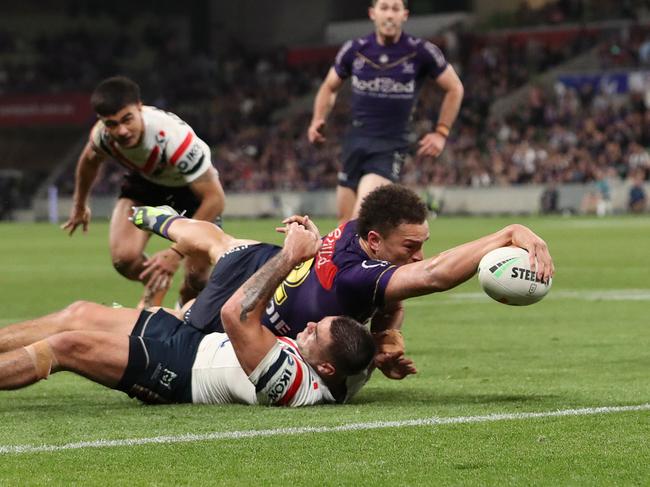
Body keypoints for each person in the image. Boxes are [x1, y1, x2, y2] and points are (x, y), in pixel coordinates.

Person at [130, 184, 553, 380]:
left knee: (218, 242)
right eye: (410, 246)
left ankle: (150, 216)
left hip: (272, 265)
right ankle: (153, 293)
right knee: (180, 321)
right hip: (254, 305)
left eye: (424, 244)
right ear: (375, 239)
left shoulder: (356, 228)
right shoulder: (357, 278)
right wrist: (508, 232)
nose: (418, 255)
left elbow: (393, 294)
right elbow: (433, 275)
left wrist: (388, 339)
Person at [0, 220, 375, 407]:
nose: (307, 326)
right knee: (77, 311)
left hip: (182, 370)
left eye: (315, 334)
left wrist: (292, 255)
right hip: (196, 339)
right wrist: (390, 340)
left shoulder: (293, 382)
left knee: (67, 346)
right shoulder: (352, 364)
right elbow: (379, 307)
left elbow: (236, 314)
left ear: (324, 369)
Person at [61, 76, 226, 308]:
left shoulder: (174, 139)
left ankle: (181, 315)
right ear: (102, 121)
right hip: (146, 182)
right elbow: (89, 161)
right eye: (112, 124)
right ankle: (157, 283)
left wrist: (175, 253)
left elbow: (215, 199)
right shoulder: (103, 135)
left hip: (191, 191)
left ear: (140, 108)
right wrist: (79, 206)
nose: (122, 130)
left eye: (127, 119)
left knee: (197, 279)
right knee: (124, 260)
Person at [307, 0, 464, 223]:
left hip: (389, 145)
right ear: (372, 13)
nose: (389, 14)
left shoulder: (420, 52)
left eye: (395, 8)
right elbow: (329, 87)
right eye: (384, 8)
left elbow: (455, 87)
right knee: (343, 224)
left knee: (360, 217)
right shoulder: (355, 50)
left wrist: (442, 131)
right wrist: (317, 120)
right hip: (355, 141)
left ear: (404, 15)